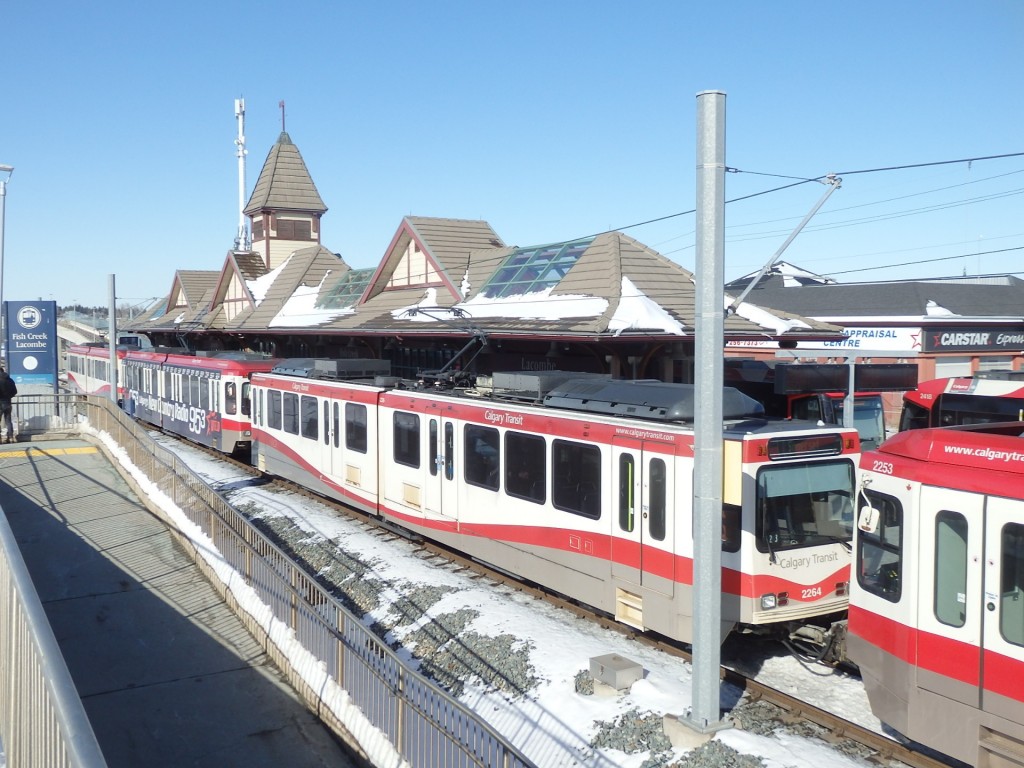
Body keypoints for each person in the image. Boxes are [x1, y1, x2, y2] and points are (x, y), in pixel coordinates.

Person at [0, 366, 17, 443]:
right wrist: (9, 396)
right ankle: (10, 437)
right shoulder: (10, 380)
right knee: (8, 420)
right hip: (8, 402)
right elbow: (15, 391)